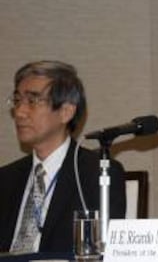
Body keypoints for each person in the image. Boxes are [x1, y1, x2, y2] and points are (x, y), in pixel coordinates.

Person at [0, 60, 126, 253]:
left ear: (66, 112)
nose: (19, 112)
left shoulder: (98, 175)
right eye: (17, 101)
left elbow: (102, 253)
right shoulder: (5, 178)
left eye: (32, 101)